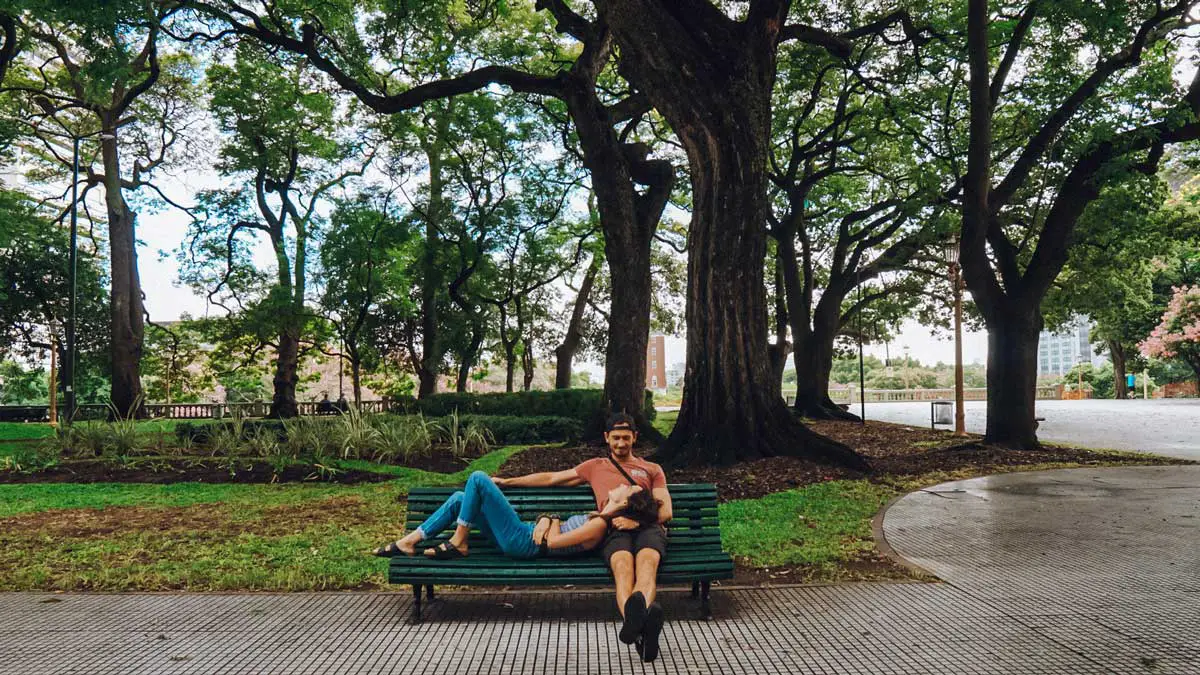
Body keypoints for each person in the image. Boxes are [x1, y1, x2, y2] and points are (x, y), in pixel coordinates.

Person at [495, 412, 672, 663]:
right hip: (613, 529)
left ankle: (637, 627)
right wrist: (507, 481)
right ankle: (641, 626)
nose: (621, 443)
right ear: (606, 438)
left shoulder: (651, 469)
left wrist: (637, 521)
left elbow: (666, 510)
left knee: (646, 565)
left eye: (625, 438)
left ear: (635, 437)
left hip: (649, 527)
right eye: (615, 438)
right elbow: (552, 478)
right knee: (622, 568)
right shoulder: (595, 466)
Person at [372, 473, 660, 560]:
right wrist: (547, 519)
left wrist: (551, 520)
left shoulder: (598, 525)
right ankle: (411, 540)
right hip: (524, 533)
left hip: (523, 542)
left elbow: (551, 545)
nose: (621, 484)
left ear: (625, 502)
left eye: (627, 488)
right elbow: (550, 530)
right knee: (461, 499)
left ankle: (459, 541)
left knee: (478, 479)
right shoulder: (597, 516)